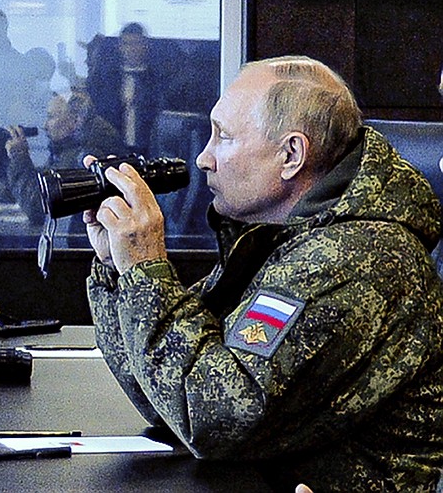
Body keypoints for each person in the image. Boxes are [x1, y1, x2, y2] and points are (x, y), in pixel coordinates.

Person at [83, 55, 443, 491]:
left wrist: (145, 269)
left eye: (224, 137)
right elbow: (167, 398)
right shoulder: (286, 238)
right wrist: (118, 271)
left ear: (291, 155)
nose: (203, 158)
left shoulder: (354, 260)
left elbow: (214, 417)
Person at [5, 91, 125, 227]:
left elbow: (39, 207)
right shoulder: (67, 152)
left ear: (76, 120)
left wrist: (19, 158)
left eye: (51, 117)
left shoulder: (84, 156)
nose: (45, 125)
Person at [86, 22, 169, 156]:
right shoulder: (107, 80)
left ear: (145, 45)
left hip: (150, 149)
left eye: (136, 43)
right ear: (120, 47)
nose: (132, 49)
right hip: (113, 148)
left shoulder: (158, 79)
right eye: (127, 44)